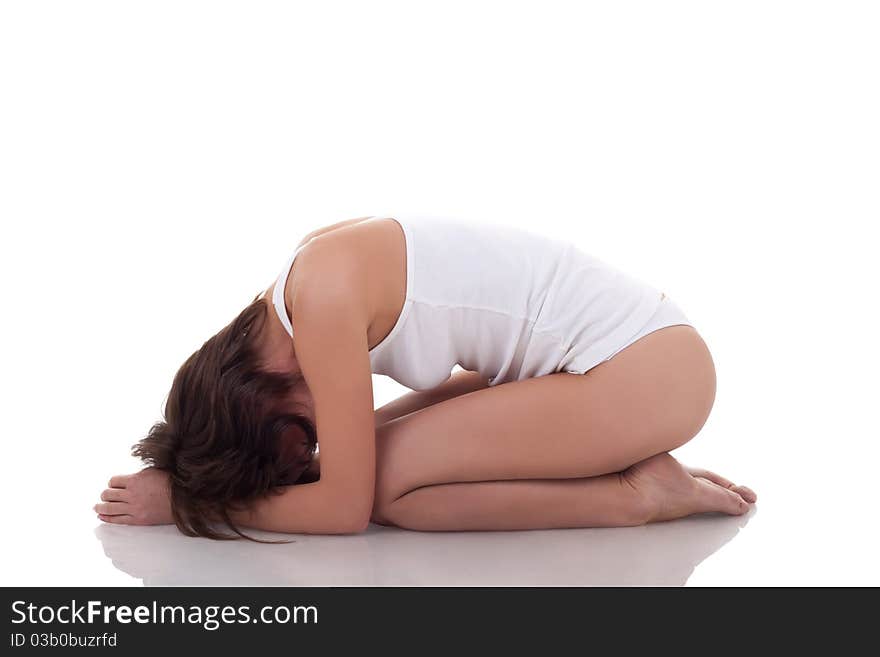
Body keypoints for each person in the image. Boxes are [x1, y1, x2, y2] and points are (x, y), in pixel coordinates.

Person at [95, 215, 756, 539]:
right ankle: (639, 476)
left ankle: (637, 496)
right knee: (388, 464)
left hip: (647, 372)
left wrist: (187, 507)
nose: (317, 454)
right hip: (637, 359)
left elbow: (347, 508)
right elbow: (480, 385)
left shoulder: (323, 308)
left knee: (385, 490)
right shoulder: (303, 282)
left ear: (260, 400)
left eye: (300, 447)